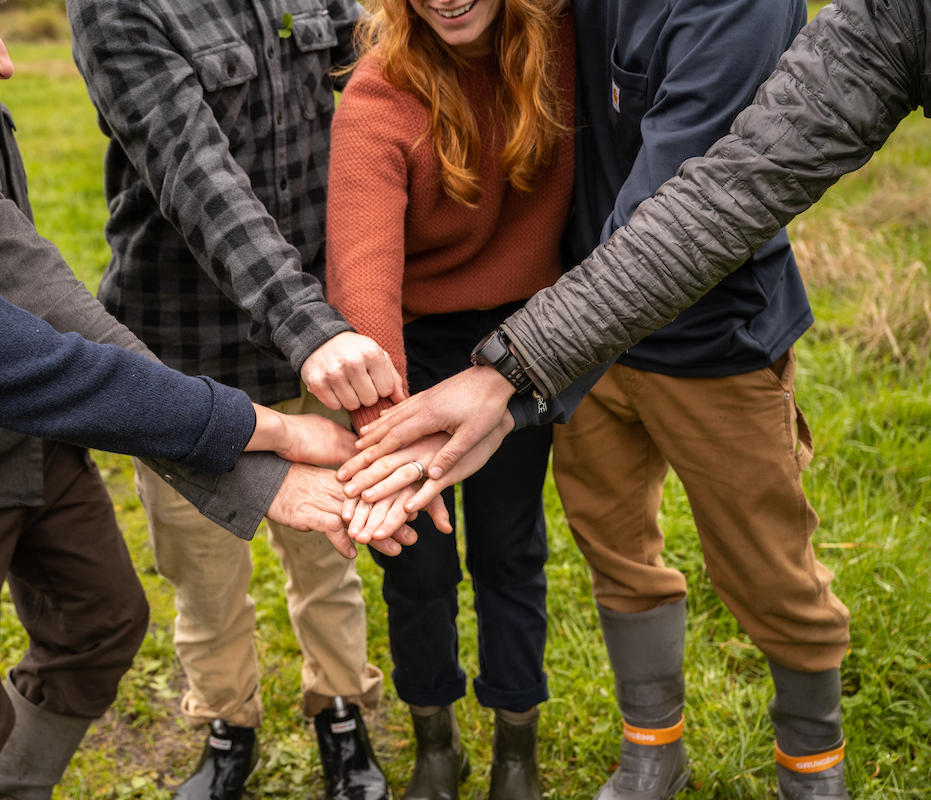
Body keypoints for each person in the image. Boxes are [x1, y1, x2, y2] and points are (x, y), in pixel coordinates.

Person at [0, 0, 420, 795]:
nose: (6, 58)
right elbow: (28, 359)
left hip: (17, 442)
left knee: (102, 620)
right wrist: (269, 438)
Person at [342, 0, 930, 796]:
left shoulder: (735, 11)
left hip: (711, 343)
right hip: (579, 351)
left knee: (768, 570)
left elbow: (686, 201)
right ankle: (653, 748)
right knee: (615, 551)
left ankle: (812, 764)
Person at [66, 1, 446, 796]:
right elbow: (193, 171)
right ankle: (226, 724)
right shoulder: (115, 7)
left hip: (316, 349)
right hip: (185, 356)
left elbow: (385, 70)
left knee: (328, 552)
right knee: (201, 571)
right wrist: (310, 328)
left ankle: (341, 710)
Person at [324, 0, 574, 797]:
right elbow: (364, 276)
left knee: (510, 549)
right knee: (417, 559)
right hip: (412, 348)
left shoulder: (561, 52)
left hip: (530, 337)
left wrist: (527, 362)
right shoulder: (378, 95)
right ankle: (437, 741)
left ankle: (515, 746)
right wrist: (386, 437)